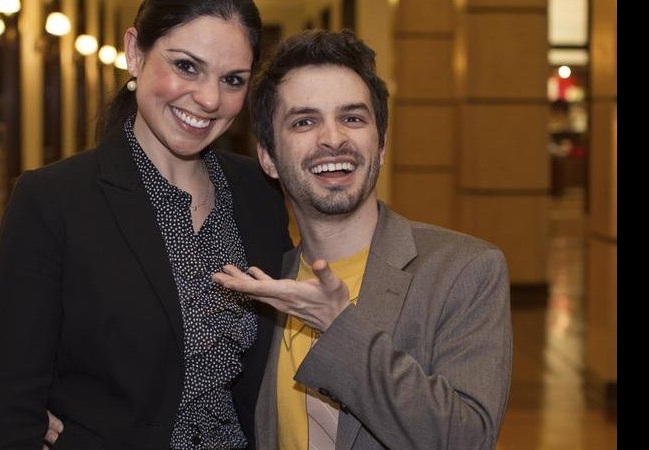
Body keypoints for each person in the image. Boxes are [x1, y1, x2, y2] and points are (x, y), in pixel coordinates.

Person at [0, 1, 291, 448]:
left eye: (232, 80)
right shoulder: (53, 202)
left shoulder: (258, 193)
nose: (209, 98)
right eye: (186, 66)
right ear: (134, 53)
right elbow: (8, 410)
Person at [211, 30, 513, 449]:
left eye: (352, 118)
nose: (333, 138)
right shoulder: (264, 286)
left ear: (382, 143)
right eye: (304, 121)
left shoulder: (464, 270)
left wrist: (339, 328)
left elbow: (465, 439)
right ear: (268, 157)